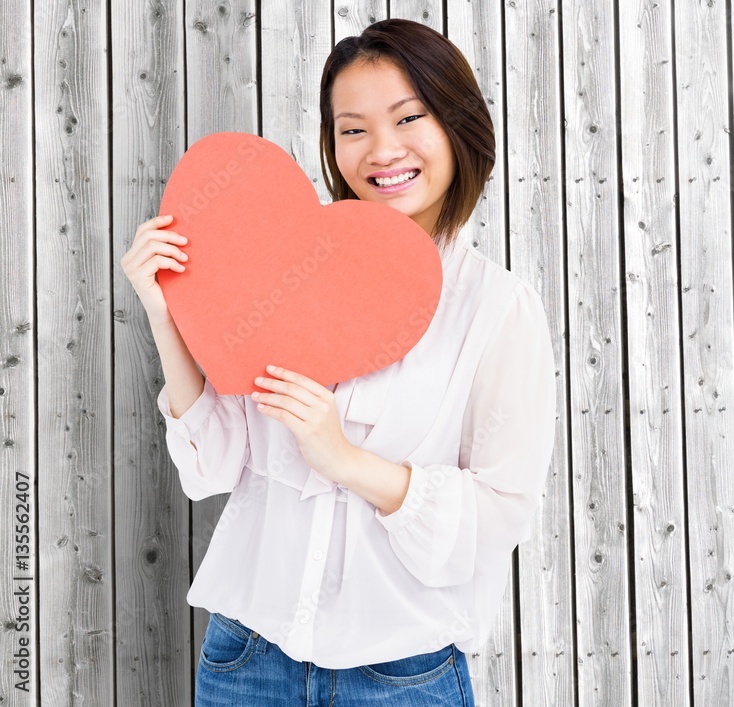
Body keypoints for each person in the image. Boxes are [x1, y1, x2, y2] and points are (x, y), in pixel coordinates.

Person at [120, 18, 557, 707]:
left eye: (409, 118)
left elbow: (499, 512)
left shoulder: (498, 309)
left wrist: (344, 458)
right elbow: (210, 467)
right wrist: (163, 311)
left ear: (457, 125)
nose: (382, 150)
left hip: (401, 675)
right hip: (245, 660)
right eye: (352, 129)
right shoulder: (280, 267)